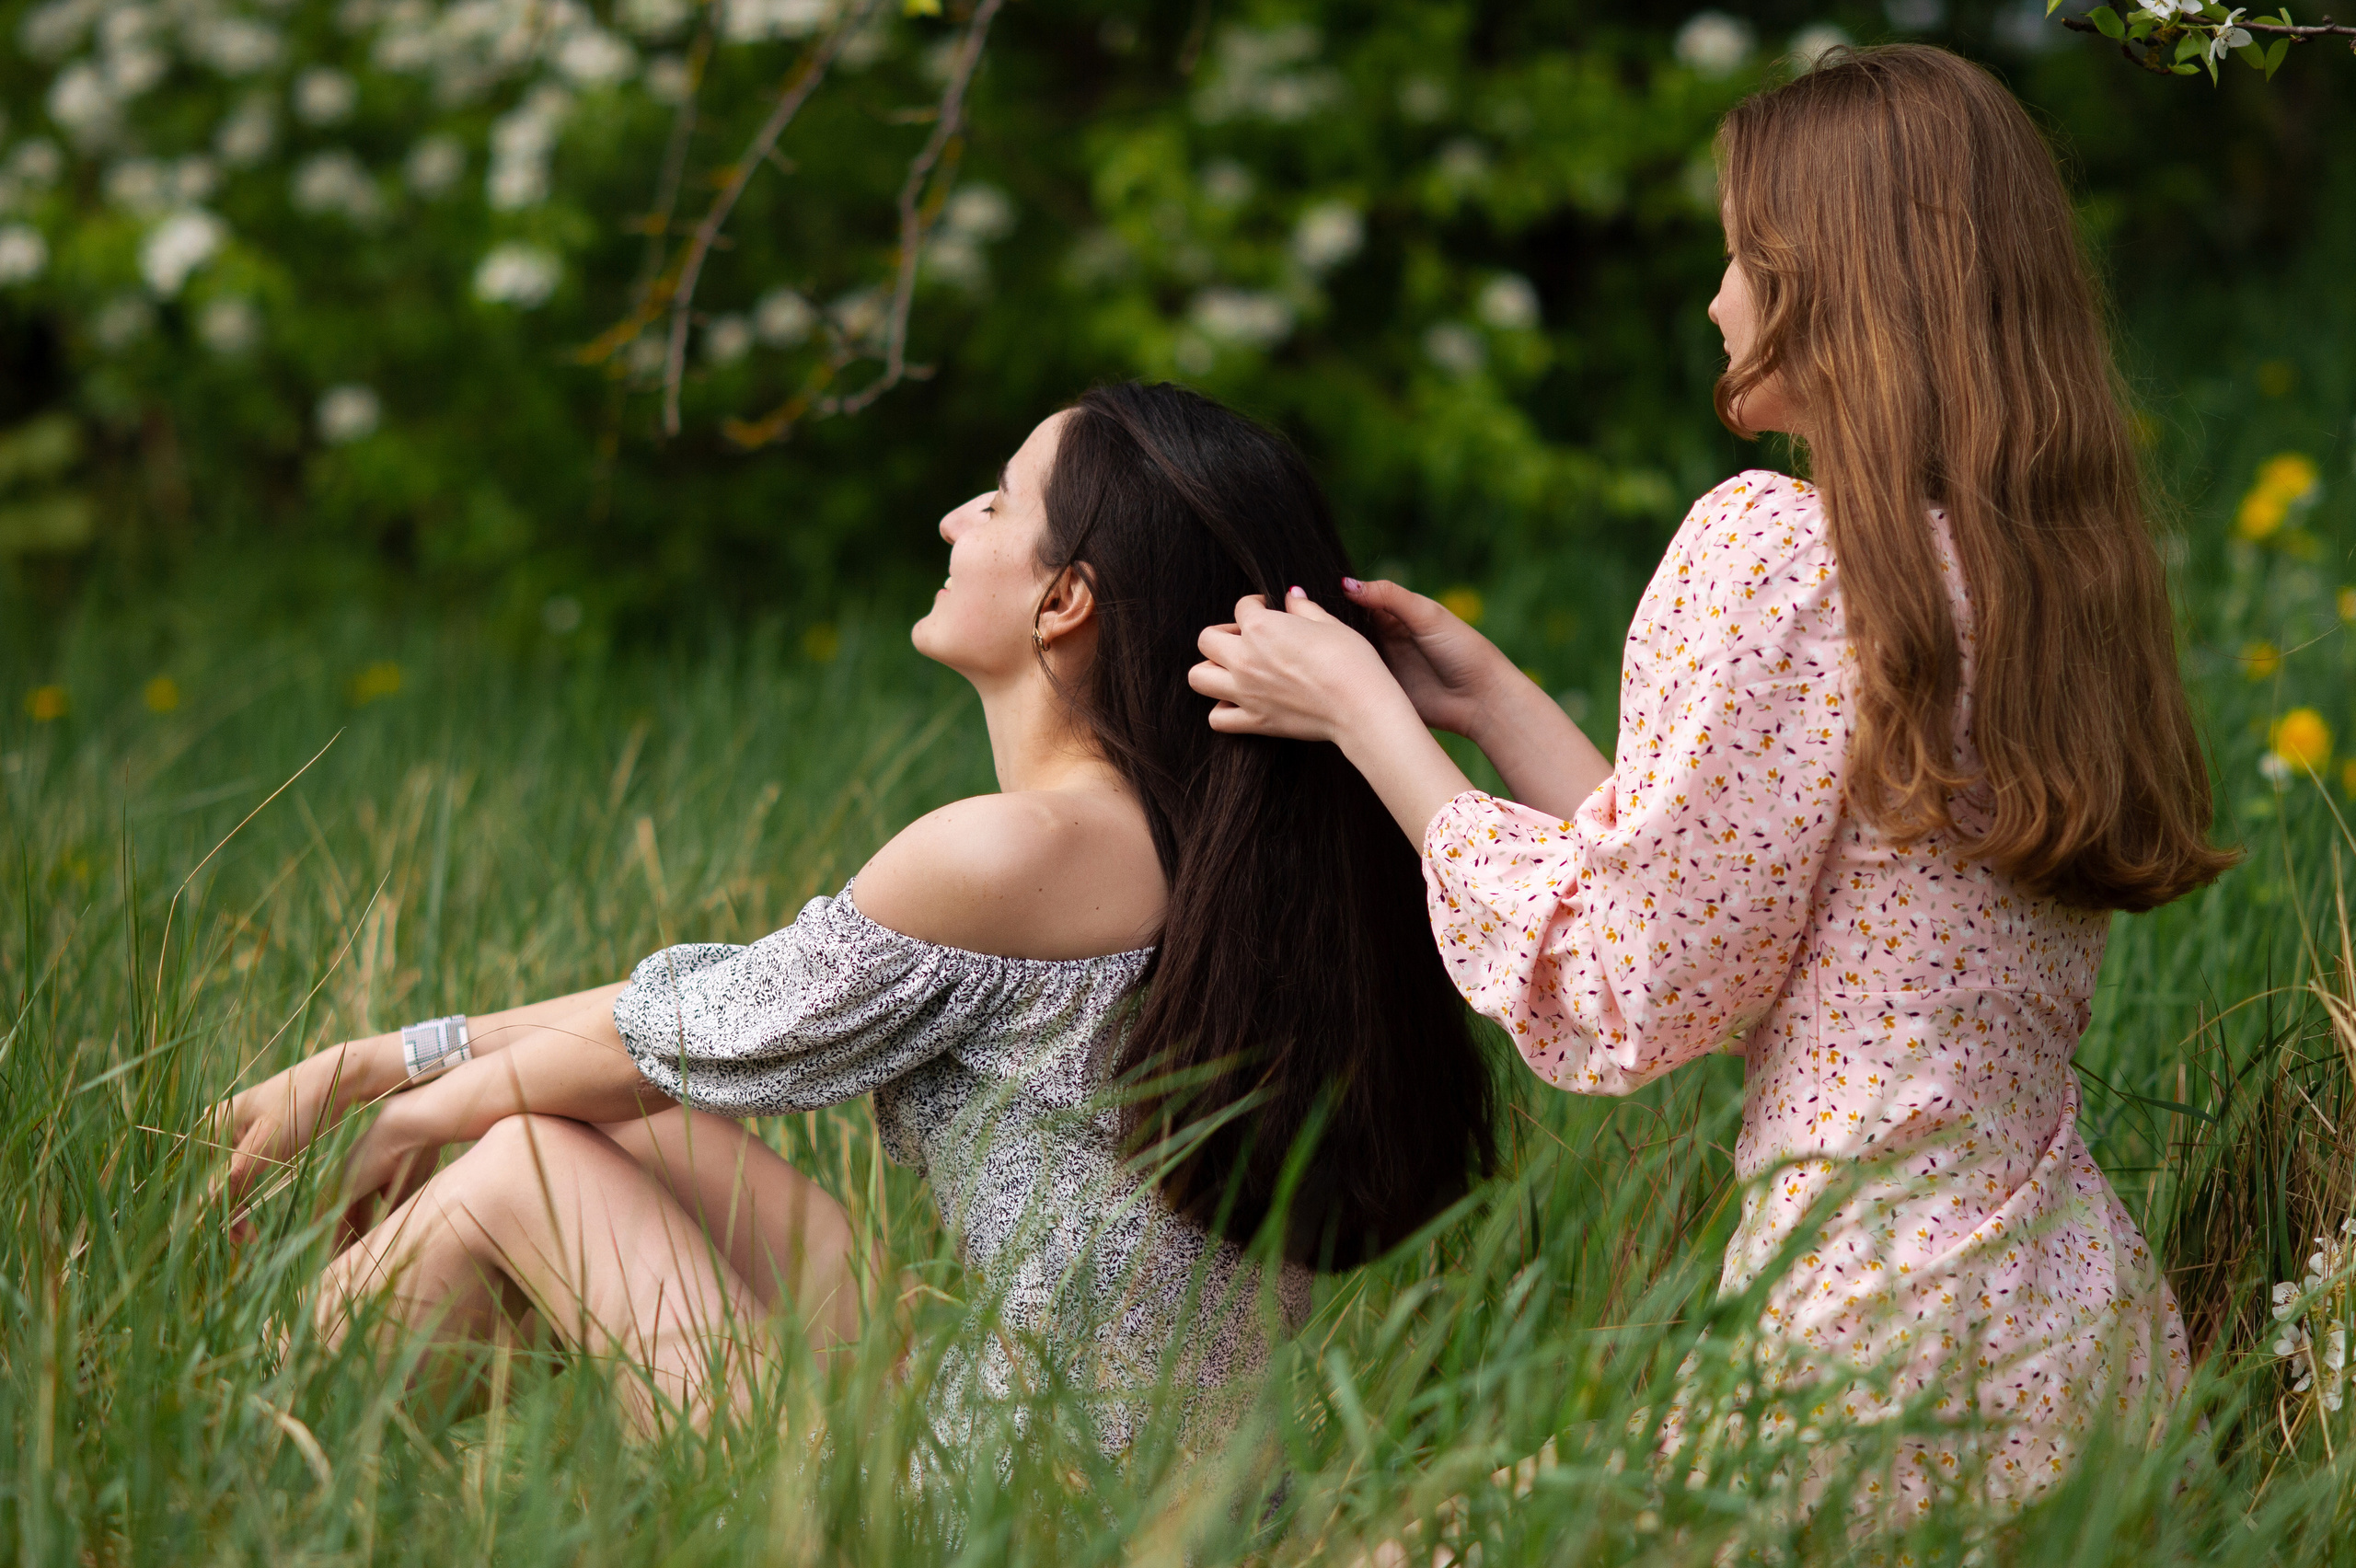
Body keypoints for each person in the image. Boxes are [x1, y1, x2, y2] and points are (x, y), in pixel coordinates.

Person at [1189, 43, 2233, 1513]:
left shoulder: (1777, 547)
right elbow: (1756, 884)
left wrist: (1376, 730)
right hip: (2077, 1338)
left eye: (1743, 255)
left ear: (1831, 284)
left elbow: (1639, 974)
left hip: (1865, 1343)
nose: (1715, 297)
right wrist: (1490, 703)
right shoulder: (2038, 584)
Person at [215, 381, 1496, 1447]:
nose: (954, 518)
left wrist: (420, 1096)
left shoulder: (1015, 850)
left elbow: (671, 1038)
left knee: (520, 1166)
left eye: (996, 502)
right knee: (640, 1142)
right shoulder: (1214, 852)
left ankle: (235, 1442)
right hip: (1142, 1481)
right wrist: (393, 1060)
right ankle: (285, 1433)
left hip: (1011, 1511)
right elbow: (694, 1020)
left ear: (1068, 600)